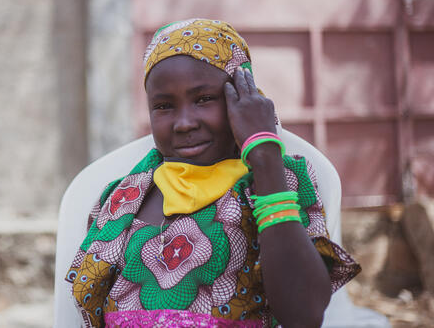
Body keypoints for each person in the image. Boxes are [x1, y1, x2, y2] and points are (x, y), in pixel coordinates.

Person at [66, 19, 360, 327]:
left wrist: (263, 156)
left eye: (204, 99)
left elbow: (304, 315)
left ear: (244, 98)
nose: (184, 123)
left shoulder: (278, 179)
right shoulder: (126, 196)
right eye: (164, 106)